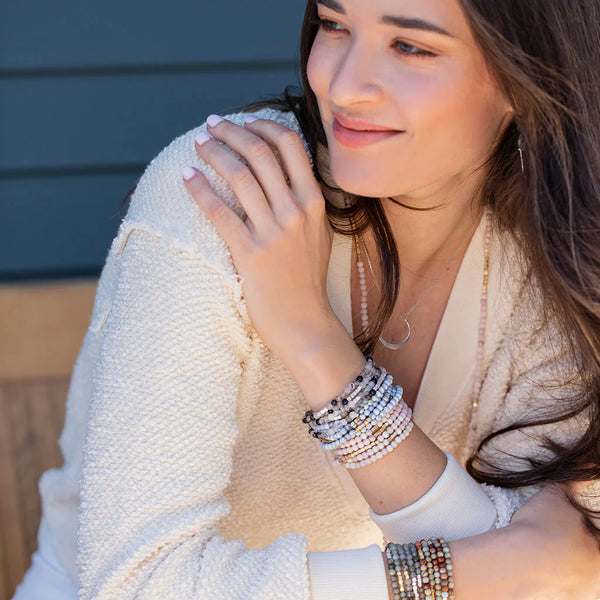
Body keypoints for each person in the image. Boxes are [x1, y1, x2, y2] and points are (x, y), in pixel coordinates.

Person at [11, 0, 600, 598]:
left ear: (526, 74)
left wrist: (311, 338)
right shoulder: (225, 193)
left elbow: (545, 566)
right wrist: (458, 575)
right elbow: (139, 583)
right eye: (335, 24)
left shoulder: (561, 255)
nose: (342, 86)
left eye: (410, 47)